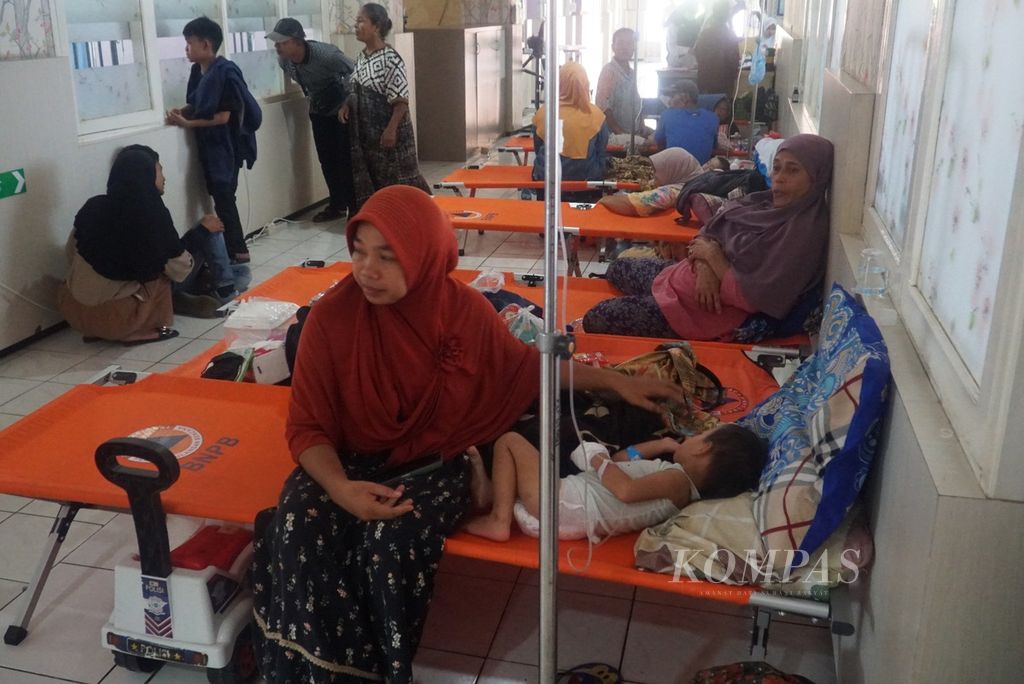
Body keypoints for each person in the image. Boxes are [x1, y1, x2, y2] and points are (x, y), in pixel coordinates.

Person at [250, 185, 685, 683]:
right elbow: (307, 428)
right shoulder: (331, 320)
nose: (367, 270)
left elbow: (526, 368)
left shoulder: (463, 313)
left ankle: (374, 674)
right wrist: (340, 488)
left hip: (437, 462)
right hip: (347, 460)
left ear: (425, 255)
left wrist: (617, 381)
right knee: (299, 525)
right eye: (358, 252)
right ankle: (301, 675)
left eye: (387, 257)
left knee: (388, 540)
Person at [582, 134, 834, 340]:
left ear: (816, 178)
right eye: (777, 168)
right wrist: (705, 265)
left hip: (701, 313)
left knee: (597, 318)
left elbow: (755, 298)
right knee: (619, 267)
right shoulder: (763, 203)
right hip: (682, 277)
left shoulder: (801, 236)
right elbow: (709, 231)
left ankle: (651, 306)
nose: (779, 178)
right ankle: (651, 299)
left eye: (793, 171)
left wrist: (713, 258)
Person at [57, 147, 241, 343]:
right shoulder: (152, 218)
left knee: (238, 273)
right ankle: (219, 292)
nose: (164, 177)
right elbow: (179, 270)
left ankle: (199, 289)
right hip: (121, 318)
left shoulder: (92, 206)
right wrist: (201, 232)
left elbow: (71, 253)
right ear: (145, 175)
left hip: (73, 310)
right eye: (159, 170)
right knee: (198, 252)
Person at [463, 424, 767, 542]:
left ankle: (498, 518)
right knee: (526, 470)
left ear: (704, 448)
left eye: (698, 437)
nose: (690, 438)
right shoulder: (675, 482)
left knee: (510, 440)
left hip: (563, 502)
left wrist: (595, 458)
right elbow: (623, 459)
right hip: (566, 516)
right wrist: (660, 445)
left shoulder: (677, 482)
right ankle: (492, 493)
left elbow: (624, 489)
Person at [165, 17, 262, 264]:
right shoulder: (198, 71)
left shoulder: (225, 72)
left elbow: (222, 117)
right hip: (210, 146)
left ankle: (238, 251)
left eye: (189, 43)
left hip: (227, 147)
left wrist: (189, 124)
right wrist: (182, 112)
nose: (186, 49)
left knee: (225, 197)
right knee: (221, 197)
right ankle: (231, 249)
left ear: (206, 44)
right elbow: (196, 103)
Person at [338, 3, 430, 210]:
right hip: (367, 137)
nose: (356, 26)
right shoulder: (362, 57)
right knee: (376, 182)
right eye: (356, 22)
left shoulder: (391, 59)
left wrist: (391, 130)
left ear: (377, 27)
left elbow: (400, 102)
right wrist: (347, 105)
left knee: (402, 181)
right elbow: (355, 86)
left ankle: (424, 218)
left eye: (361, 21)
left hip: (390, 135)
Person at [269, 17, 357, 223]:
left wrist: (347, 101)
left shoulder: (327, 55)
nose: (276, 46)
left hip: (341, 111)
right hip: (319, 111)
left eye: (282, 42)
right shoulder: (285, 61)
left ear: (297, 41)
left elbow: (355, 70)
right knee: (326, 160)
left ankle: (354, 207)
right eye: (275, 42)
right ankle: (337, 204)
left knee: (345, 160)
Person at [532, 62, 609, 203]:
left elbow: (538, 149)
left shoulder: (544, 113)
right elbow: (601, 153)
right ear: (585, 85)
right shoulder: (597, 116)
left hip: (548, 184)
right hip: (586, 186)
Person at [599, 147, 706, 218]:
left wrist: (601, 200)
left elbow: (634, 205)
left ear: (670, 171)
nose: (653, 177)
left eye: (655, 171)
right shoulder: (698, 178)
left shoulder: (675, 192)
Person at [595, 28, 652, 139]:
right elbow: (604, 107)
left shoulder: (631, 73)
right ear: (613, 47)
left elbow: (636, 101)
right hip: (614, 136)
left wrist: (642, 125)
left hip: (632, 132)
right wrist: (620, 133)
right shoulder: (609, 71)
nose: (625, 48)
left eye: (629, 43)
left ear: (634, 48)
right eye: (620, 43)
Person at [655, 80, 720, 163]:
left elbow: (660, 143)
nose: (669, 101)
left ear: (685, 97)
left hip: (674, 173)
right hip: (702, 173)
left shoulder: (667, 115)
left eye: (672, 96)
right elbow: (714, 145)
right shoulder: (713, 117)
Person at [694, 0, 741, 98]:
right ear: (728, 15)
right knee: (721, 111)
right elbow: (734, 62)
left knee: (705, 110)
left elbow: (697, 53)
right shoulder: (730, 35)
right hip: (723, 85)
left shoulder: (705, 34)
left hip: (705, 83)